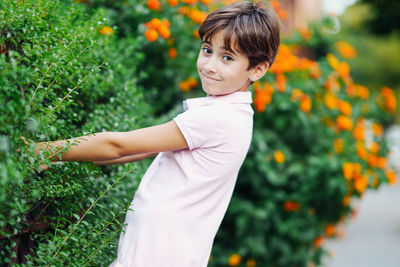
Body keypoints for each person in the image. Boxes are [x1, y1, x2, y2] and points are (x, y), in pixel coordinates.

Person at [34, 1, 280, 266]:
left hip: (160, 254)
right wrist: (60, 157)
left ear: (257, 69)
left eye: (227, 58)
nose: (210, 65)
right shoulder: (230, 114)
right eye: (207, 50)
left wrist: (39, 150)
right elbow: (134, 151)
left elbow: (118, 146)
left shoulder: (216, 118)